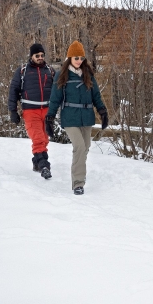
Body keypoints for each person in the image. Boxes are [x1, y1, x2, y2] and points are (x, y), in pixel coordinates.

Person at [45, 41, 108, 195]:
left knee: (85, 148)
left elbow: (96, 96)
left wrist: (103, 111)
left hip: (86, 117)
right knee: (79, 147)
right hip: (70, 117)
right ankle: (78, 183)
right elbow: (55, 98)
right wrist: (50, 117)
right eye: (76, 58)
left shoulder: (88, 74)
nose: (79, 61)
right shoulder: (62, 75)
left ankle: (78, 173)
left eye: (81, 58)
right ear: (69, 58)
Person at [9, 43, 54, 179]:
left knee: (45, 138)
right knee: (38, 138)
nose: (40, 58)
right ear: (31, 56)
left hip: (46, 109)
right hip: (30, 110)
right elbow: (13, 90)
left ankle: (37, 163)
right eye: (37, 56)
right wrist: (12, 111)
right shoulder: (23, 71)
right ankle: (44, 165)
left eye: (42, 55)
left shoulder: (50, 70)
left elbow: (58, 90)